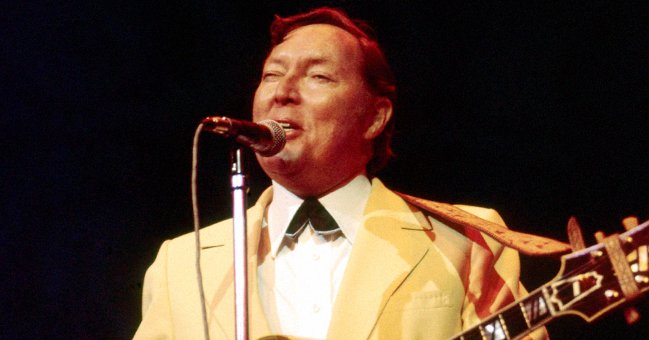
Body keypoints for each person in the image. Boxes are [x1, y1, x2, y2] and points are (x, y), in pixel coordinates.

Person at [135, 7, 558, 339]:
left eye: (318, 76)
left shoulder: (469, 240)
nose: (283, 92)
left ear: (374, 118)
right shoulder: (181, 263)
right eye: (271, 74)